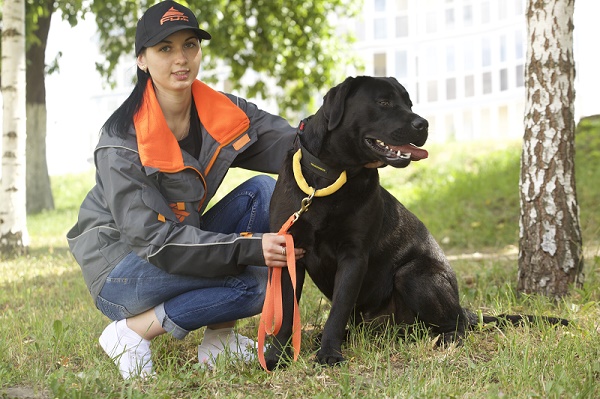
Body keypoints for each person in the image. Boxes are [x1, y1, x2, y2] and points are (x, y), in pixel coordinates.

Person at [66, 0, 305, 379]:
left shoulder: (219, 111)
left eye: (189, 45)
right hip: (121, 269)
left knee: (261, 190)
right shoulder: (120, 142)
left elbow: (290, 146)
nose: (181, 59)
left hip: (175, 243)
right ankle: (130, 332)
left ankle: (218, 342)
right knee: (251, 286)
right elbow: (155, 241)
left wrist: (346, 141)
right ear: (142, 60)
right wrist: (247, 247)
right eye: (165, 49)